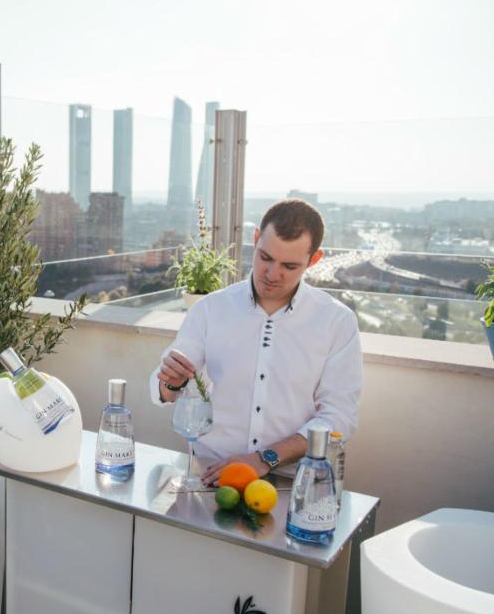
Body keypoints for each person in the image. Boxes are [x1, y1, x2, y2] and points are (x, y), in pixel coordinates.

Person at [150, 198, 362, 486]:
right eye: (265, 258)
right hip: (211, 473)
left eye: (289, 265)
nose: (273, 274)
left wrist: (265, 459)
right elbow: (164, 391)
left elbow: (338, 417)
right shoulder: (210, 309)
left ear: (314, 260)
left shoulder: (337, 322)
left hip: (292, 480)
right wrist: (171, 381)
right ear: (255, 240)